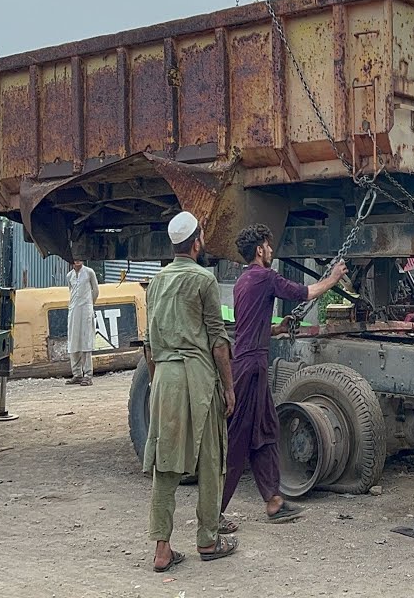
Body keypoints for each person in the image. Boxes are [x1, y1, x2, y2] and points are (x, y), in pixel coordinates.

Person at [219, 223, 347, 533]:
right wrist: (333, 278)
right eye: (268, 245)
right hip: (251, 367)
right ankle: (213, 512)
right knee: (238, 440)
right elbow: (306, 292)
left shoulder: (242, 281)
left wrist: (276, 329)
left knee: (265, 431)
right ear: (259, 250)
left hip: (250, 363)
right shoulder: (265, 277)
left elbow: (248, 326)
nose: (271, 250)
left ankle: (274, 501)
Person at [142, 211, 237, 572]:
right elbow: (218, 342)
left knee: (165, 463)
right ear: (196, 243)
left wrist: (157, 385)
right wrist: (228, 388)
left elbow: (150, 346)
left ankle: (162, 549)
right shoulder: (204, 279)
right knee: (210, 458)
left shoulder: (155, 283)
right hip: (198, 377)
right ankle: (208, 540)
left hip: (165, 377)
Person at [64, 258, 99, 386]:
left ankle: (88, 375)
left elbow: (95, 291)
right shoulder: (69, 276)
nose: (77, 261)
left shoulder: (89, 272)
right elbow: (71, 291)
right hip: (74, 310)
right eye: (74, 259)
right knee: (73, 341)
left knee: (86, 341)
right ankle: (77, 374)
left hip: (86, 310)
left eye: (79, 259)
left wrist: (89, 304)